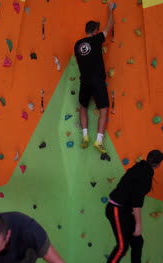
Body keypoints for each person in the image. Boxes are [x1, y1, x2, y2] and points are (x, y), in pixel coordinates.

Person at [105, 150, 163, 263]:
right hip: (116, 209)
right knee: (122, 247)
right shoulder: (145, 176)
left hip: (124, 211)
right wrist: (138, 224)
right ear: (158, 164)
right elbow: (136, 202)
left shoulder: (140, 167)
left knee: (137, 242)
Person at [74, 1, 115, 154]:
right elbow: (109, 26)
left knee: (83, 106)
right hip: (97, 80)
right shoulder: (97, 40)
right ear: (96, 31)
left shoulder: (77, 45)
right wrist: (110, 10)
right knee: (104, 108)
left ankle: (85, 136)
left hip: (84, 80)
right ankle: (99, 140)